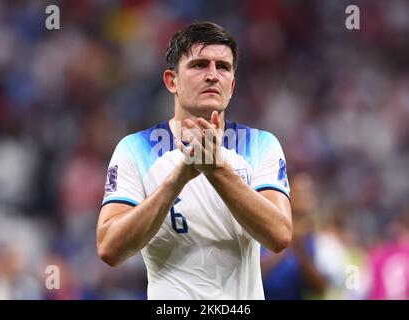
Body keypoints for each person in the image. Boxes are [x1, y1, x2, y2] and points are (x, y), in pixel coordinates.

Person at [96, 21, 292, 300]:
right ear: (171, 81)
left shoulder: (261, 145)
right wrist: (177, 179)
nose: (213, 75)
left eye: (222, 67)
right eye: (199, 65)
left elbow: (280, 235)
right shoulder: (134, 149)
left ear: (232, 85)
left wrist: (217, 170)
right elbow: (109, 249)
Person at [261, 173, 327, 299]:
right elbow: (255, 274)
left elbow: (320, 288)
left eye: (309, 193)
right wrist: (286, 242)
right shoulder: (267, 223)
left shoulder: (307, 236)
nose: (308, 198)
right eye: (302, 192)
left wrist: (300, 249)